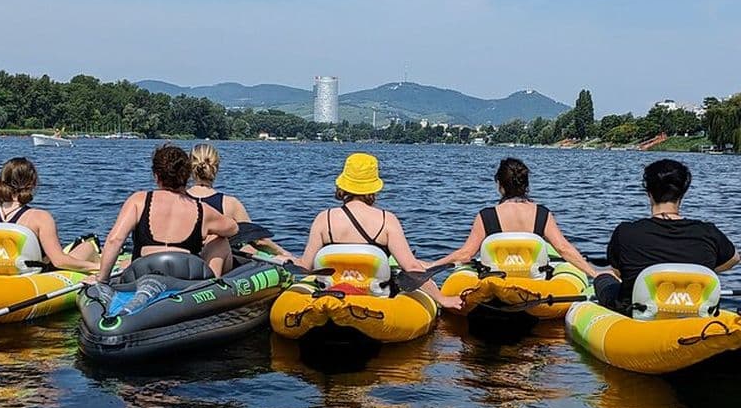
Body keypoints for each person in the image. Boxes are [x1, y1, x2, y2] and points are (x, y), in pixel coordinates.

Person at [290, 152, 462, 310]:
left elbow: (306, 265)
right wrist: (442, 299)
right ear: (373, 188)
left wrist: (283, 257)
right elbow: (411, 267)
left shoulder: (323, 219)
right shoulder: (387, 220)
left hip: (330, 296)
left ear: (343, 184)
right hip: (375, 301)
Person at [595, 158, 739, 315]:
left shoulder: (625, 232)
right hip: (693, 310)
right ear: (683, 192)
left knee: (604, 278)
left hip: (636, 313)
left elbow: (618, 272)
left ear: (649, 193)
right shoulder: (709, 232)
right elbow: (734, 259)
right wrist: (700, 270)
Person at [430, 157, 598, 277]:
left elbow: (465, 254)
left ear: (500, 186)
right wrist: (594, 273)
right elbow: (563, 248)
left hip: (496, 283)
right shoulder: (542, 214)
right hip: (535, 283)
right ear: (525, 185)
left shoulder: (486, 216)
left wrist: (432, 265)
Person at [95, 144, 238, 284]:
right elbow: (233, 228)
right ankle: (211, 290)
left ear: (156, 176)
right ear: (188, 176)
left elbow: (115, 240)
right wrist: (208, 233)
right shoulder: (202, 209)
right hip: (185, 278)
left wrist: (102, 279)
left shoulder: (138, 200)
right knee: (220, 240)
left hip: (142, 274)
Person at [0, 157, 100, 272]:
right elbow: (59, 262)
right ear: (32, 184)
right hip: (36, 274)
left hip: (0, 269)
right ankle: (103, 275)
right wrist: (96, 266)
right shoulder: (40, 218)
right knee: (88, 246)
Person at [187, 143, 290, 255]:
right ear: (216, 167)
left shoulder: (178, 200)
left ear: (189, 167)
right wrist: (283, 253)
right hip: (219, 265)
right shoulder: (230, 204)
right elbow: (258, 241)